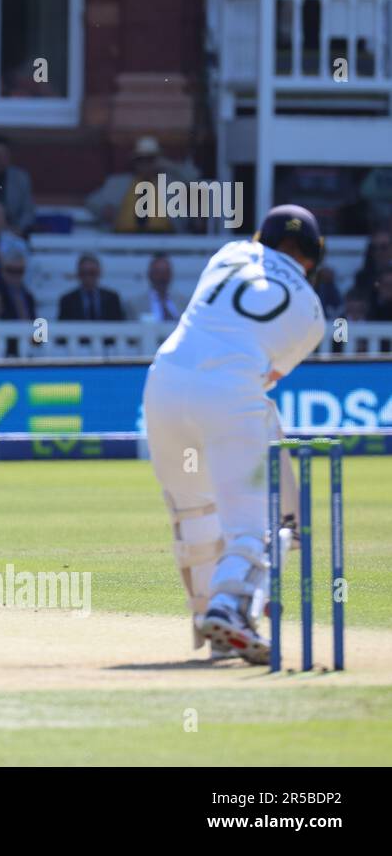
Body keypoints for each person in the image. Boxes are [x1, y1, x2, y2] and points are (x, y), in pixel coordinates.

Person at [142, 204, 326, 664]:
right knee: (259, 527)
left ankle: (211, 620)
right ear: (313, 258)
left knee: (194, 512)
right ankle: (230, 608)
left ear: (260, 237)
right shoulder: (312, 314)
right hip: (229, 391)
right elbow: (268, 376)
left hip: (162, 382)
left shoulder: (228, 253)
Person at [57, 254, 126, 321]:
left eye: (92, 273)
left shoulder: (112, 298)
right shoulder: (67, 301)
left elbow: (120, 325)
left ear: (99, 272)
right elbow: (63, 327)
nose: (88, 277)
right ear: (78, 274)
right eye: (83, 273)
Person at [126, 253, 189, 322]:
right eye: (158, 273)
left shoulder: (184, 303)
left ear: (171, 275)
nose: (162, 277)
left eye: (165, 273)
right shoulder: (135, 305)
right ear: (149, 275)